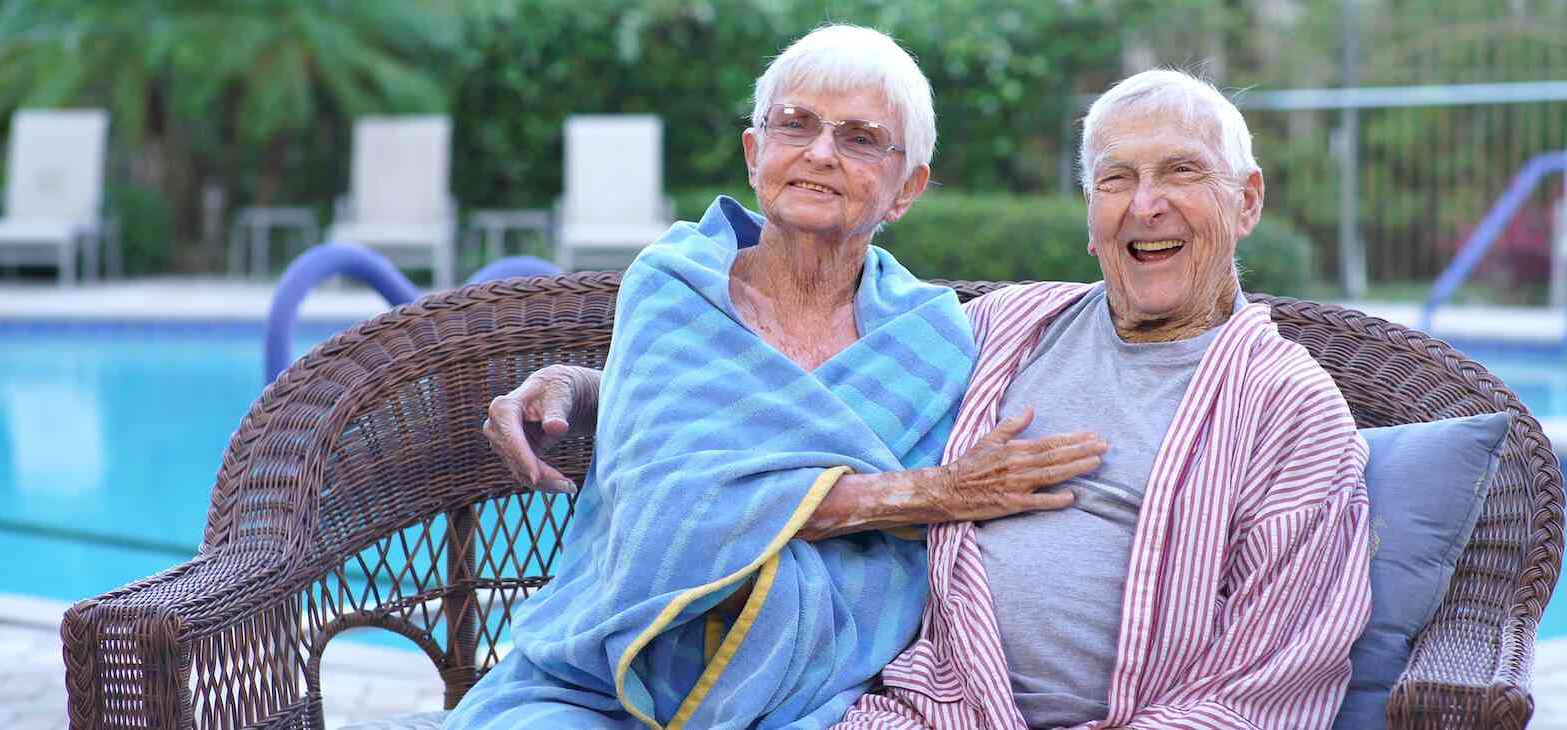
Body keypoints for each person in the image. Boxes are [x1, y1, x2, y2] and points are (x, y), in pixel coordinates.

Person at [486, 67, 1374, 730]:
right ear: (1089, 210)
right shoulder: (1001, 332)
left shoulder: (1290, 412)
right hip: (921, 704)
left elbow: (1276, 676)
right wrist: (597, 392)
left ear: (1246, 201)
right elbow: (793, 396)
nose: (1145, 207)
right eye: (1115, 179)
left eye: (1180, 174)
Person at [446, 25, 1106, 730]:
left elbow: (750, 463)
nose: (820, 153)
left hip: (823, 688)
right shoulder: (675, 288)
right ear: (756, 153)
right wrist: (932, 493)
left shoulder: (932, 338)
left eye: (858, 138)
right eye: (795, 124)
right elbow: (671, 499)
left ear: (906, 188)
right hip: (600, 680)